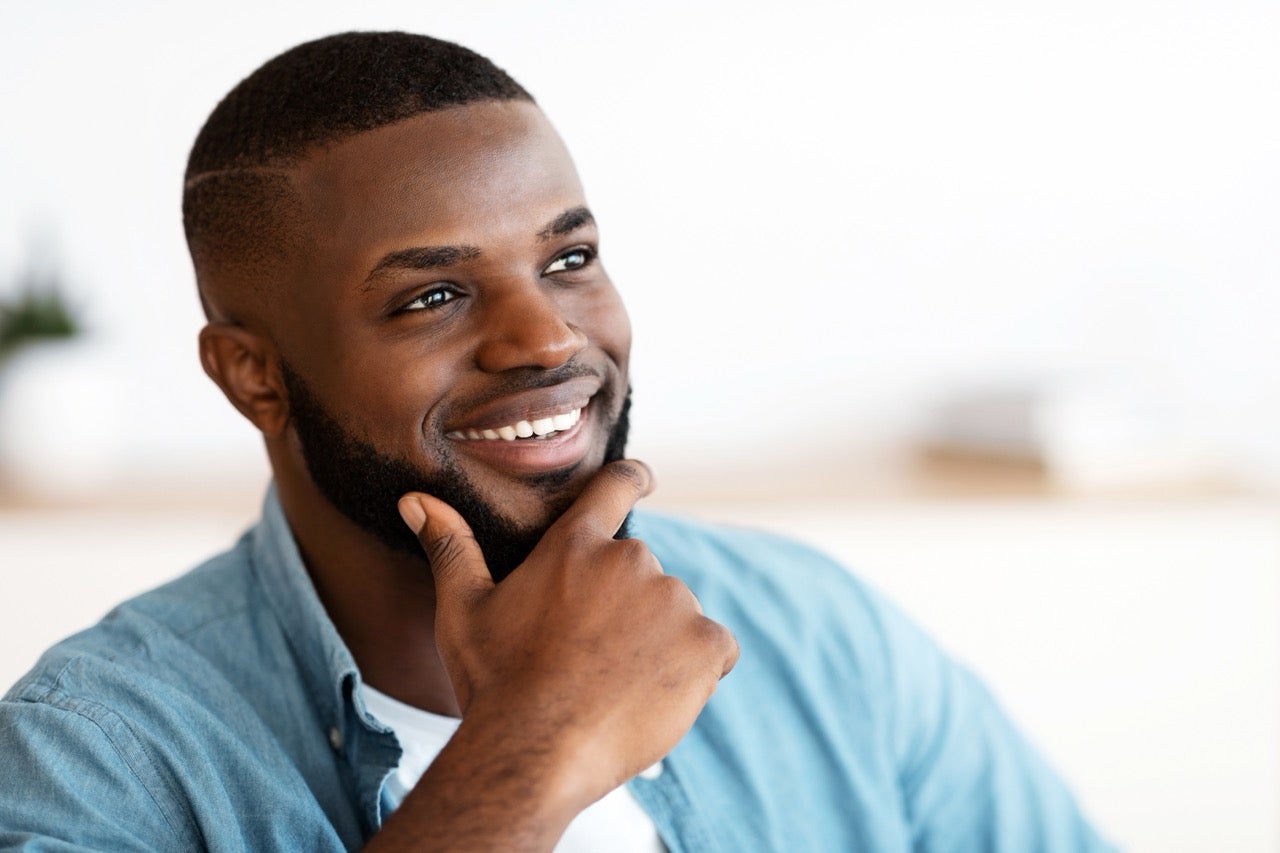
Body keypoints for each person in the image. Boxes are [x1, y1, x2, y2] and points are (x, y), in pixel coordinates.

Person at [0, 31, 1113, 852]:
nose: (543, 339)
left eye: (567, 260)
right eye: (432, 295)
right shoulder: (96, 759)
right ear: (254, 375)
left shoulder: (815, 636)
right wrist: (527, 753)